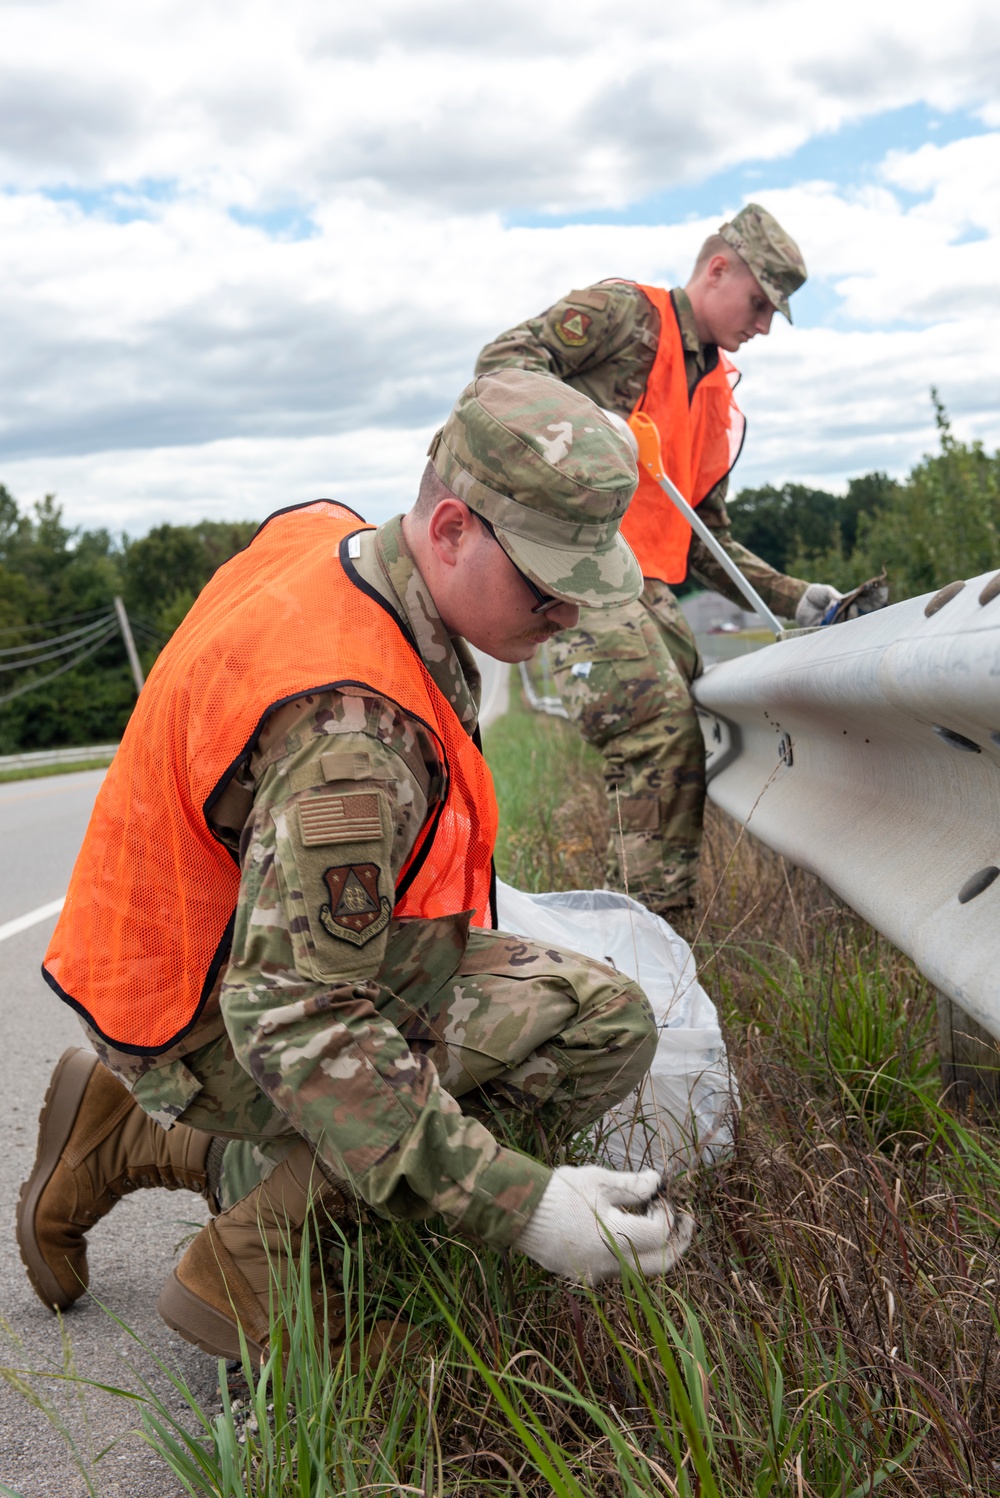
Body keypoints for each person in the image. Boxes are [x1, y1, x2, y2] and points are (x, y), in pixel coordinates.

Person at [18, 370, 693, 1364]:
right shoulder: (351, 742)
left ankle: (134, 1133)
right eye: (549, 586)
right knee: (594, 1027)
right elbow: (301, 1019)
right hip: (218, 1012)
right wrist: (526, 1204)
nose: (564, 619)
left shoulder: (327, 536)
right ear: (453, 527)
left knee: (555, 1005)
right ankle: (255, 1266)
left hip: (171, 968)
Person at [475, 204, 843, 914]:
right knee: (658, 732)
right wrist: (592, 427)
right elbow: (500, 368)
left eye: (774, 312)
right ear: (717, 269)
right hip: (571, 569)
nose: (762, 325)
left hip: (645, 588)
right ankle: (656, 949)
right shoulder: (620, 315)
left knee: (693, 719)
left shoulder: (716, 397)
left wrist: (798, 598)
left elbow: (704, 532)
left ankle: (643, 936)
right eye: (759, 302)